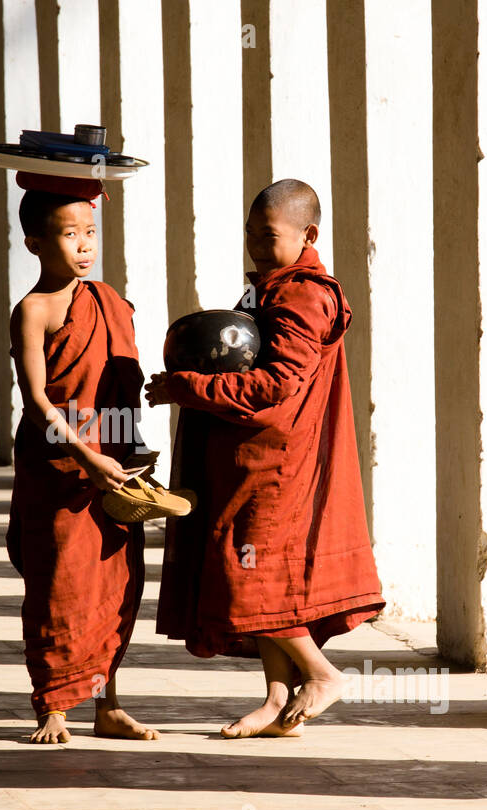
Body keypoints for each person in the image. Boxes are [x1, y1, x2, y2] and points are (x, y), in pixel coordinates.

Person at [146, 178, 385, 738]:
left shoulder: (304, 294)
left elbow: (274, 385)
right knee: (265, 577)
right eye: (251, 233)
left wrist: (190, 388)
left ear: (309, 235)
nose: (256, 243)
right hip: (252, 452)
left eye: (268, 234)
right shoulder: (272, 288)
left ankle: (322, 675)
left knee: (247, 572)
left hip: (280, 461)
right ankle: (277, 701)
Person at [7, 173, 158, 744]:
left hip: (113, 460)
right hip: (59, 467)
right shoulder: (35, 311)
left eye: (91, 231)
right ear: (36, 244)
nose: (85, 245)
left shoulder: (111, 303)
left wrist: (131, 448)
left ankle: (108, 702)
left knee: (114, 586)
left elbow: (122, 385)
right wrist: (86, 457)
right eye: (70, 234)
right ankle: (53, 705)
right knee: (59, 585)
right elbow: (38, 399)